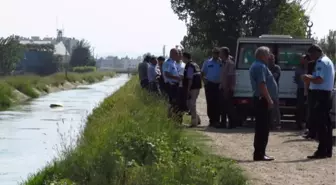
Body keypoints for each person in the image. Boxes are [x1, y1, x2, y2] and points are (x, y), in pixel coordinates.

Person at [302, 44, 334, 159]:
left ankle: (322, 150)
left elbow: (319, 79)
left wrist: (308, 77)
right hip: (325, 94)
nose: (311, 57)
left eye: (311, 54)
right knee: (326, 123)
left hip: (320, 95)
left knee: (321, 124)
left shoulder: (320, 62)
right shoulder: (328, 60)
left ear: (316, 52)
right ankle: (327, 150)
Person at [249, 46, 277, 161]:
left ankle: (260, 153)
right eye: (268, 54)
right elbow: (262, 85)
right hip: (262, 100)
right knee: (263, 128)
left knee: (262, 127)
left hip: (261, 99)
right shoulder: (260, 66)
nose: (269, 56)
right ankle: (260, 154)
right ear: (262, 55)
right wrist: (269, 99)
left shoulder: (259, 65)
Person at [201, 47, 223, 127]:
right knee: (210, 102)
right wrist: (205, 82)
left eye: (217, 53)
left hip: (219, 85)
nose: (216, 54)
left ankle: (217, 120)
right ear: (212, 53)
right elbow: (202, 73)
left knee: (218, 103)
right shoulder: (207, 62)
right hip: (210, 84)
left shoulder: (222, 62)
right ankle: (212, 120)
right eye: (214, 53)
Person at [182, 51, 202, 127]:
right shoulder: (195, 64)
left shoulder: (189, 66)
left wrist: (188, 89)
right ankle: (197, 119)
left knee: (191, 104)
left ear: (185, 57)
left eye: (182, 57)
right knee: (191, 104)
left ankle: (194, 121)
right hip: (198, 86)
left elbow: (190, 78)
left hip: (193, 87)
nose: (182, 59)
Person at [219, 46, 237, 128]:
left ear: (224, 54)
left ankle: (232, 123)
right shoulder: (223, 63)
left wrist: (227, 88)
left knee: (229, 107)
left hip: (228, 89)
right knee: (222, 107)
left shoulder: (230, 63)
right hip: (223, 87)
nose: (219, 54)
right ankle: (223, 123)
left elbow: (230, 77)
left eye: (220, 52)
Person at [163, 48, 182, 121]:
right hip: (171, 85)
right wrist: (177, 78)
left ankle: (174, 118)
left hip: (175, 85)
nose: (178, 55)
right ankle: (170, 118)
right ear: (173, 54)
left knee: (175, 102)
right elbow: (166, 74)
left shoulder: (173, 63)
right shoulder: (168, 62)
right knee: (172, 102)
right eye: (177, 53)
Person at [294, 54, 309, 130]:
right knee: (300, 107)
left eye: (303, 59)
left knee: (308, 107)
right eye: (301, 59)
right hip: (301, 89)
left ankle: (307, 124)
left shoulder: (311, 68)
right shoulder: (298, 69)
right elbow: (296, 79)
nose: (302, 61)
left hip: (310, 90)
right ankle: (298, 124)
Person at [268, 54, 281, 129]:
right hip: (267, 89)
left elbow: (274, 76)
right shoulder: (266, 67)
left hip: (274, 89)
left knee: (275, 107)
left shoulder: (277, 67)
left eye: (272, 59)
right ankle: (270, 123)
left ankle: (278, 124)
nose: (271, 61)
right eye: (269, 59)